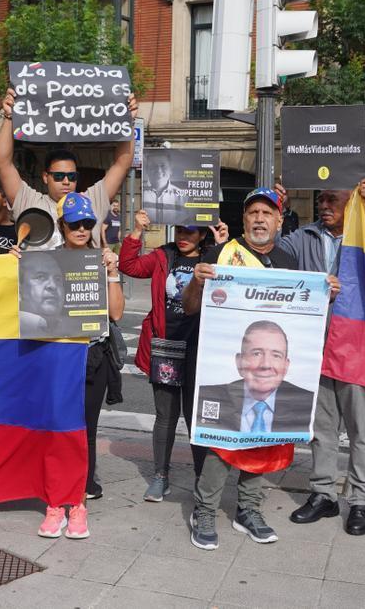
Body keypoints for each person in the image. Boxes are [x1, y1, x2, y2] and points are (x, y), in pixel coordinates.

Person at [181, 188, 309, 550]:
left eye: (267, 213)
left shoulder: (287, 260)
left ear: (279, 220)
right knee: (221, 440)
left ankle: (248, 509)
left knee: (261, 435)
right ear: (244, 219)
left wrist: (323, 293)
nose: (259, 219)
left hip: (266, 368)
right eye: (253, 212)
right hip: (224, 366)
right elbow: (189, 307)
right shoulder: (223, 253)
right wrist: (196, 280)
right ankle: (204, 510)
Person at [280, 178, 365, 537]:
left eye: (333, 198)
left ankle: (362, 500)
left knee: (360, 430)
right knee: (322, 429)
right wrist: (276, 208)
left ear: (352, 200)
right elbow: (267, 251)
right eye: (321, 198)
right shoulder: (305, 236)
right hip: (316, 348)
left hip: (357, 348)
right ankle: (323, 494)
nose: (323, 204)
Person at [31, 192, 124, 540]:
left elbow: (116, 313)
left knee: (84, 430)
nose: (82, 229)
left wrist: (112, 274)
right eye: (75, 224)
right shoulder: (44, 260)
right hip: (55, 357)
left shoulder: (101, 261)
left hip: (92, 357)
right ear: (62, 225)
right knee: (56, 426)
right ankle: (56, 501)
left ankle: (79, 501)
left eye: (88, 223)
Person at [119, 210, 228, 501]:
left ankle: (202, 478)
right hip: (165, 347)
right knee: (165, 416)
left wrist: (221, 247)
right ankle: (160, 476)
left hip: (199, 350)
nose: (183, 236)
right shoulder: (162, 256)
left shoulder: (213, 259)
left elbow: (235, 281)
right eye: (180, 229)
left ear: (203, 234)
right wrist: (136, 231)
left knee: (196, 419)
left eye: (191, 231)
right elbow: (128, 265)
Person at [0, 88, 137, 248]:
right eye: (59, 176)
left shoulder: (91, 202)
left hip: (85, 273)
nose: (67, 181)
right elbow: (3, 164)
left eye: (72, 176)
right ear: (45, 177)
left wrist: (128, 122)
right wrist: (9, 116)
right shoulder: (30, 202)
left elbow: (122, 165)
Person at [196, 321, 314, 433]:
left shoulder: (307, 403)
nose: (265, 365)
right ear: (239, 361)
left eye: (276, 355)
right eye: (256, 353)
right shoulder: (209, 397)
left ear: (286, 365)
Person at [141, 153, 187, 223]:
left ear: (170, 170)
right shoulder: (139, 193)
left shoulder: (183, 197)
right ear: (147, 170)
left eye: (163, 166)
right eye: (153, 166)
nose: (158, 170)